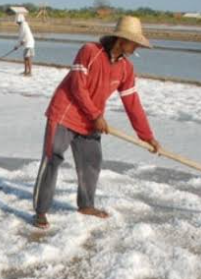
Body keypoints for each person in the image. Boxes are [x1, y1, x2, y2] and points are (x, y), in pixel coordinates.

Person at [32, 15, 162, 229]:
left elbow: (132, 104)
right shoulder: (90, 51)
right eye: (135, 41)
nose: (137, 46)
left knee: (91, 162)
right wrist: (95, 115)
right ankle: (40, 211)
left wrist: (147, 137)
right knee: (52, 159)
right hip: (65, 114)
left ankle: (86, 205)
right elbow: (77, 87)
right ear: (121, 40)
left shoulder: (126, 69)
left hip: (90, 122)